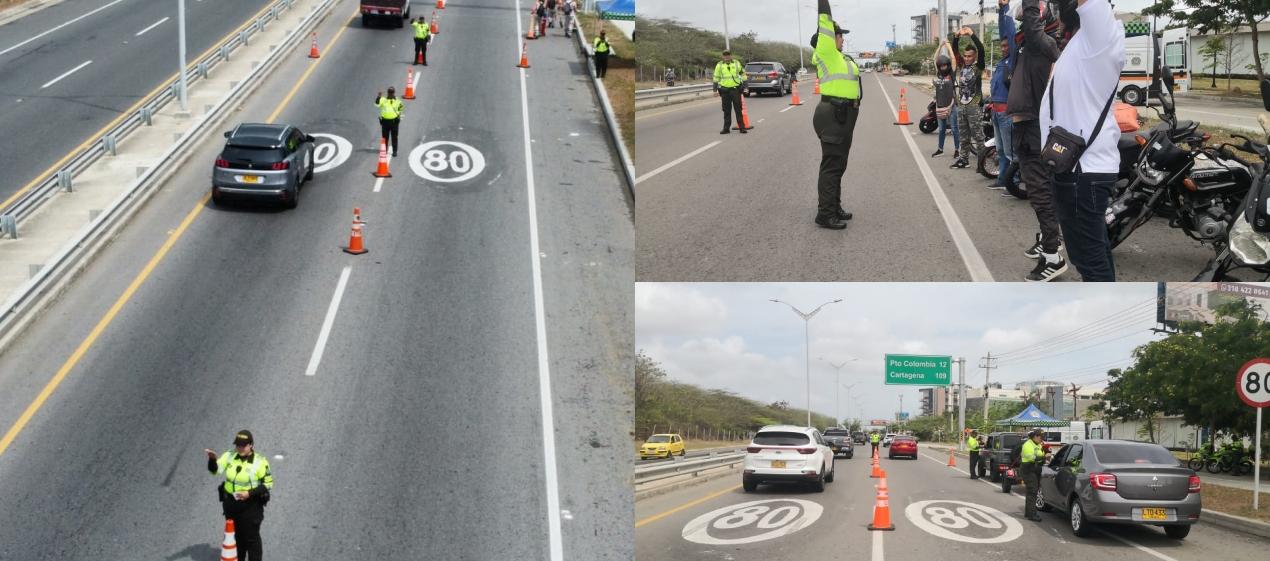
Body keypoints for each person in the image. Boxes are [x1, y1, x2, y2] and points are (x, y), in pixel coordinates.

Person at [1043, 0, 1124, 281]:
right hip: (1073, 168)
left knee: (1089, 260)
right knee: (1093, 253)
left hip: (1083, 171)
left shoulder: (1099, 38)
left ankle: (1103, 320)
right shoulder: (1081, 44)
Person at [1009, 0, 1068, 281]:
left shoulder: (1043, 43)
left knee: (1040, 193)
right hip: (1027, 125)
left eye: (1027, 15)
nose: (1021, 21)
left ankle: (1053, 256)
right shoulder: (1031, 45)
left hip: (1033, 127)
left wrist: (1031, 3)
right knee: (1038, 193)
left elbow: (1031, 29)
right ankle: (1047, 241)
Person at [809, 0, 861, 230]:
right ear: (831, 37)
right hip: (833, 114)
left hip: (845, 115)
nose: (842, 38)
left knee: (839, 164)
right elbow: (825, 22)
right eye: (840, 35)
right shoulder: (827, 51)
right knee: (831, 165)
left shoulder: (841, 58)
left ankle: (834, 206)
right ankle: (825, 213)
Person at [206, 430, 274, 561]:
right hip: (230, 505)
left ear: (251, 445)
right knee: (236, 537)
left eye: (243, 445)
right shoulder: (229, 456)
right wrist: (212, 460)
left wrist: (249, 493)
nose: (240, 448)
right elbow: (215, 471)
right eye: (238, 445)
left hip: (251, 506)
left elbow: (268, 484)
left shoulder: (260, 462)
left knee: (251, 539)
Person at [989, 0, 1018, 189]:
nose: (1004, 47)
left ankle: (1013, 183)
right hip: (996, 113)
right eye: (1002, 45)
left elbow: (1008, 32)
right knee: (1000, 150)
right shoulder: (1001, 63)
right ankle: (1002, 181)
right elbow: (1003, 33)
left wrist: (1005, 8)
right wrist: (1000, 10)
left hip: (1006, 114)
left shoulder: (1014, 60)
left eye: (1007, 45)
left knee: (1010, 152)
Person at [951, 27, 986, 169]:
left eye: (969, 56)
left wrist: (972, 34)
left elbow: (981, 49)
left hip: (974, 106)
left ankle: (982, 163)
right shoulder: (961, 65)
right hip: (961, 106)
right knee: (963, 136)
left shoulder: (978, 67)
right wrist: (957, 37)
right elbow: (954, 51)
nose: (966, 58)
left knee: (978, 136)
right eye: (965, 56)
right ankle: (963, 159)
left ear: (975, 57)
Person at [931, 52, 960, 160]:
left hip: (952, 106)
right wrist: (940, 46)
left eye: (945, 65)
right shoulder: (939, 74)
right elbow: (935, 59)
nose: (943, 67)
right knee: (942, 129)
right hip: (940, 106)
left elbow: (953, 58)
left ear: (948, 65)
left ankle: (957, 150)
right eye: (941, 66)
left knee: (954, 128)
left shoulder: (951, 75)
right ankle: (940, 149)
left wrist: (947, 44)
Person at [712, 50, 747, 134]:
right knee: (726, 110)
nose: (726, 57)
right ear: (722, 56)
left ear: (731, 55)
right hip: (724, 90)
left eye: (728, 55)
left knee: (738, 109)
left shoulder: (736, 63)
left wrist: (746, 87)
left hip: (735, 89)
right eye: (725, 55)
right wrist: (714, 90)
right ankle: (726, 128)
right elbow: (716, 78)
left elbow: (743, 75)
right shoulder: (719, 65)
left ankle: (742, 127)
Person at [1020, 429, 1051, 521]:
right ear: (1035, 436)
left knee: (1032, 492)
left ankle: (1028, 512)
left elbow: (1040, 456)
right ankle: (1031, 514)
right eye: (1041, 437)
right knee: (1032, 491)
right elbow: (1031, 458)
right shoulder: (1028, 445)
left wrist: (1046, 457)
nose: (1042, 440)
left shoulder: (1038, 444)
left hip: (1035, 470)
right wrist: (1043, 457)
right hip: (1028, 470)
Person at [374, 87, 404, 157]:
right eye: (389, 92)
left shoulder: (398, 101)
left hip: (394, 122)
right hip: (385, 122)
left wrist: (398, 117)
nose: (390, 94)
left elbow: (401, 109)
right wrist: (378, 97)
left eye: (392, 92)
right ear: (388, 93)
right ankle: (385, 150)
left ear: (394, 93)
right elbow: (376, 104)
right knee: (385, 138)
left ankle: (395, 151)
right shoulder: (383, 100)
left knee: (394, 137)